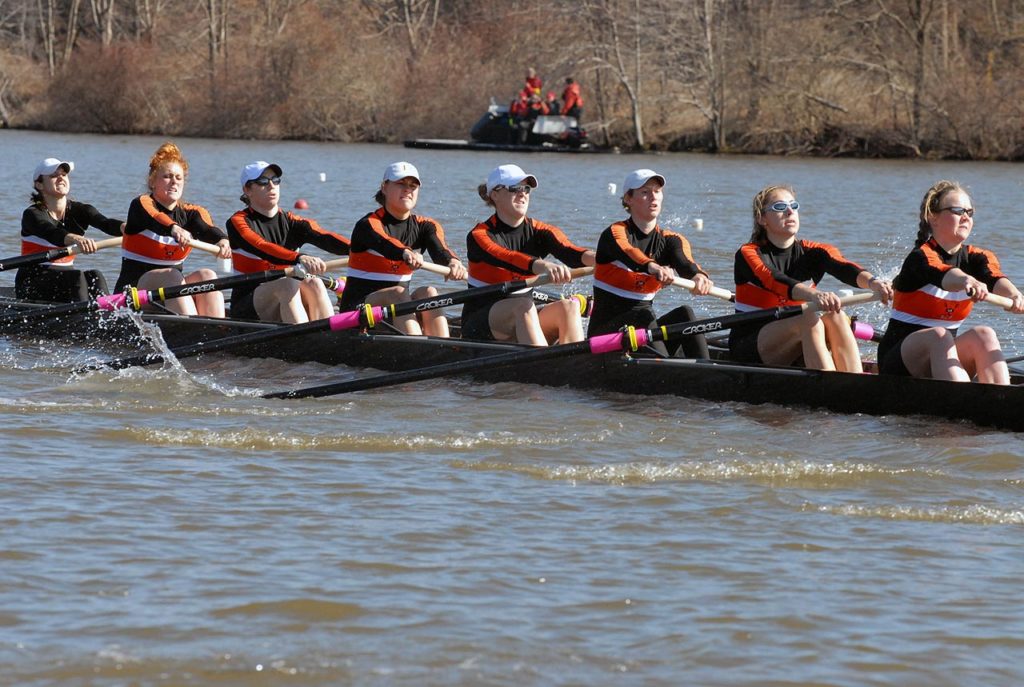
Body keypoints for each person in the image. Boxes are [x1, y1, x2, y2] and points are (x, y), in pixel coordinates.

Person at [731, 184, 892, 372]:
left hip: (796, 337)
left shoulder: (815, 251)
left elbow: (845, 268)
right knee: (809, 319)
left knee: (836, 316)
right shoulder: (748, 253)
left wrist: (875, 283)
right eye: (780, 207)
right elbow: (775, 279)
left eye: (794, 206)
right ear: (762, 218)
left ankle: (854, 380)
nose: (790, 211)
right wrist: (814, 295)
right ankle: (829, 385)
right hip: (751, 343)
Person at [877, 180, 1024, 384]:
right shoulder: (919, 257)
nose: (965, 217)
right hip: (899, 361)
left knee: (984, 334)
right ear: (933, 218)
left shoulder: (978, 256)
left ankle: (1002, 399)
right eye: (957, 210)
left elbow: (995, 278)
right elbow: (942, 274)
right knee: (939, 335)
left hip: (941, 356)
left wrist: (1015, 296)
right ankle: (963, 401)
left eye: (969, 212)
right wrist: (968, 280)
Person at [463, 164, 595, 345]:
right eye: (515, 188)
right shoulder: (480, 235)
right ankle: (542, 368)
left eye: (526, 189)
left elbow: (570, 252)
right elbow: (507, 257)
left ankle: (575, 362)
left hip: (524, 316)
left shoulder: (541, 230)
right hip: (481, 323)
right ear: (495, 194)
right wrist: (545, 266)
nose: (523, 193)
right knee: (523, 306)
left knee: (569, 306)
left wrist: (606, 260)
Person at [588, 169, 715, 358]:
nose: (653, 197)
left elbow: (686, 263)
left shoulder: (672, 240)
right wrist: (653, 266)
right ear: (628, 199)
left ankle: (708, 370)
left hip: (642, 330)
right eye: (645, 192)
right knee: (643, 315)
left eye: (657, 191)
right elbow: (630, 252)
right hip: (606, 336)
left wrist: (699, 276)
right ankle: (665, 367)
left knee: (685, 315)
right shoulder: (615, 233)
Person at [340, 162, 467, 336]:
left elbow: (440, 250)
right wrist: (405, 252)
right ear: (384, 187)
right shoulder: (368, 225)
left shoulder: (426, 226)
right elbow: (386, 243)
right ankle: (419, 349)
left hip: (395, 310)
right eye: (400, 184)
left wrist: (453, 262)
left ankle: (446, 347)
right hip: (356, 312)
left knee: (429, 292)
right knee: (397, 293)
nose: (407, 190)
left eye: (413, 186)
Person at [114, 142, 231, 317]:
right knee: (172, 276)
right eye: (167, 176)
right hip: (133, 294)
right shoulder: (141, 204)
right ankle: (193, 328)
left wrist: (223, 241)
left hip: (170, 293)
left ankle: (219, 330)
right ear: (152, 181)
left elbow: (209, 230)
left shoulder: (193, 213)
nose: (174, 182)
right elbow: (155, 217)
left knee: (207, 275)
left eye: (178, 177)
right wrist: (174, 229)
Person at [227, 161, 350, 323]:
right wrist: (299, 257)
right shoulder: (238, 222)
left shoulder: (292, 221)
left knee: (315, 282)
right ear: (247, 190)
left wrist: (362, 249)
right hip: (248, 302)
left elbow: (324, 237)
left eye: (275, 180)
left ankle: (330, 336)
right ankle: (304, 339)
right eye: (263, 182)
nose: (271, 186)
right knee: (287, 284)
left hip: (285, 293)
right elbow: (262, 246)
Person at [17, 158, 125, 302]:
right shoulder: (32, 214)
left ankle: (109, 317)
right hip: (32, 282)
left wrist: (127, 228)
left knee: (95, 276)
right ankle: (83, 321)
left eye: (64, 174)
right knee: (76, 277)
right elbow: (52, 232)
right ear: (39, 184)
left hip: (65, 280)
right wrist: (76, 239)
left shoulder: (81, 210)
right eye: (54, 175)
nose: (61, 178)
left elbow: (105, 223)